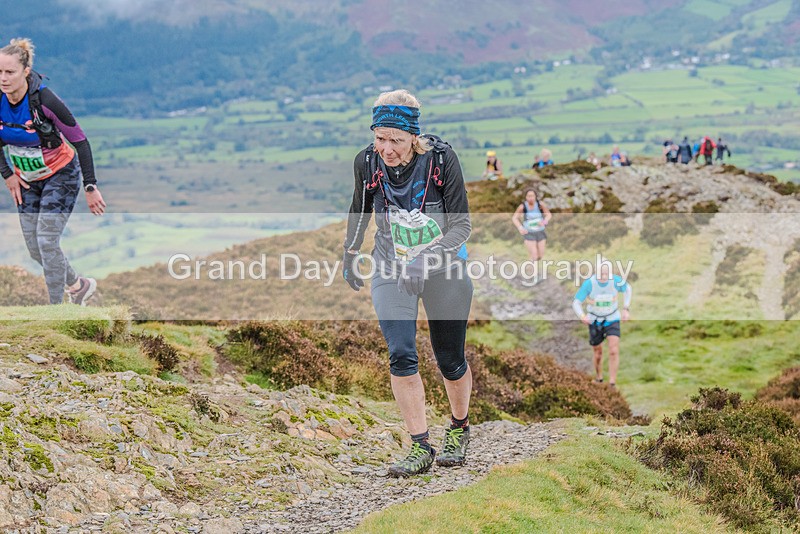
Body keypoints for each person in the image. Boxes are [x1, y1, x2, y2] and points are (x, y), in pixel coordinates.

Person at [342, 89, 473, 476]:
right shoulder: (367, 162)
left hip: (443, 268)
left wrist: (426, 258)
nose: (386, 148)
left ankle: (459, 427)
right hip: (390, 266)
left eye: (395, 140)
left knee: (449, 358)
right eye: (380, 137)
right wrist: (350, 253)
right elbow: (360, 208)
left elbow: (462, 226)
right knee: (400, 352)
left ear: (414, 137)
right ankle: (420, 446)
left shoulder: (442, 161)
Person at [1, 38, 105, 305]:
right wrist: (7, 174)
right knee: (36, 249)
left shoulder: (45, 100)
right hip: (27, 180)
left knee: (47, 241)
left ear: (25, 72)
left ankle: (55, 310)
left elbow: (80, 140)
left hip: (61, 175)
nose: (3, 78)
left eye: (9, 72)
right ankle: (78, 285)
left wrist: (90, 186)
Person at [572, 262, 632, 388]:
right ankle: (599, 377)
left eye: (606, 274)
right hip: (595, 320)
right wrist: (582, 316)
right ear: (595, 273)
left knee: (613, 350)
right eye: (601, 274)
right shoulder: (589, 283)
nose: (604, 277)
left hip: (612, 318)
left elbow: (628, 289)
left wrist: (626, 308)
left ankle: (612, 383)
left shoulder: (615, 280)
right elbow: (576, 302)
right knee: (598, 353)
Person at [512, 188, 551, 285]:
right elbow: (515, 218)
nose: (530, 198)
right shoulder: (522, 207)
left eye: (532, 196)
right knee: (534, 255)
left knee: (540, 255)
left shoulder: (540, 205)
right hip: (529, 233)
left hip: (540, 232)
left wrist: (545, 221)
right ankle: (534, 277)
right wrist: (520, 227)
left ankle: (529, 267)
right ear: (526, 197)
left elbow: (548, 214)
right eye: (528, 196)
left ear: (535, 196)